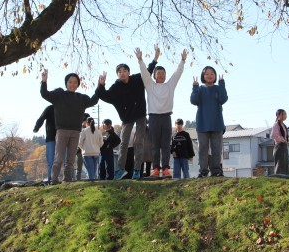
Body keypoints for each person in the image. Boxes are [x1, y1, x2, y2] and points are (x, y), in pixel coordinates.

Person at [97, 49, 158, 180]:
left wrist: (154, 59)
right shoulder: (116, 87)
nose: (122, 73)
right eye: (119, 72)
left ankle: (137, 170)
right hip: (127, 117)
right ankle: (120, 169)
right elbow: (105, 96)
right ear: (117, 74)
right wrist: (101, 85)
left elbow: (147, 72)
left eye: (124, 71)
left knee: (139, 143)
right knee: (124, 143)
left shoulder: (137, 79)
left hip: (140, 115)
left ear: (129, 72)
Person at [136, 46, 187, 178]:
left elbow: (177, 74)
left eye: (163, 73)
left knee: (165, 145)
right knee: (154, 146)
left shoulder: (170, 85)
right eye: (158, 73)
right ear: (154, 76)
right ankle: (155, 169)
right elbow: (144, 73)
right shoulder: (150, 85)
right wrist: (140, 60)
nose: (161, 75)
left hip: (166, 117)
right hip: (153, 118)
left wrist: (182, 61)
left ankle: (165, 169)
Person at [40, 70, 99, 184]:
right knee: (58, 158)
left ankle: (67, 179)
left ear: (78, 84)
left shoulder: (81, 98)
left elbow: (93, 101)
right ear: (66, 83)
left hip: (75, 132)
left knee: (71, 159)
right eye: (70, 82)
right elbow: (45, 94)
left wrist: (100, 86)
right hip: (62, 131)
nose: (72, 84)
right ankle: (54, 179)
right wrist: (44, 81)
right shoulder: (59, 95)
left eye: (75, 82)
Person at [190, 66, 228, 177]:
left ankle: (216, 171)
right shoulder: (200, 89)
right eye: (207, 74)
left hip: (217, 123)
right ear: (203, 76)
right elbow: (193, 101)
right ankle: (203, 171)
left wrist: (222, 84)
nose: (209, 76)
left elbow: (223, 99)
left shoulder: (218, 88)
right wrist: (195, 87)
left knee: (217, 149)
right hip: (202, 123)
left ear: (215, 76)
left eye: (212, 74)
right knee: (202, 149)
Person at [33, 104, 56, 182]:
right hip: (54, 137)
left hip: (58, 137)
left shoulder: (60, 107)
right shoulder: (50, 108)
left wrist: (36, 128)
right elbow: (42, 118)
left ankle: (52, 178)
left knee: (52, 160)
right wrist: (36, 127)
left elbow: (41, 118)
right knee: (53, 160)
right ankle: (51, 178)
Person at [271, 109, 289, 175]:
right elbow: (274, 135)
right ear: (279, 115)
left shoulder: (283, 125)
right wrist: (283, 139)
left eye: (285, 114)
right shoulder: (276, 124)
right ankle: (279, 176)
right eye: (284, 114)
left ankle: (285, 177)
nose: (285, 116)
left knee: (285, 164)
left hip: (284, 146)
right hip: (279, 146)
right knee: (280, 164)